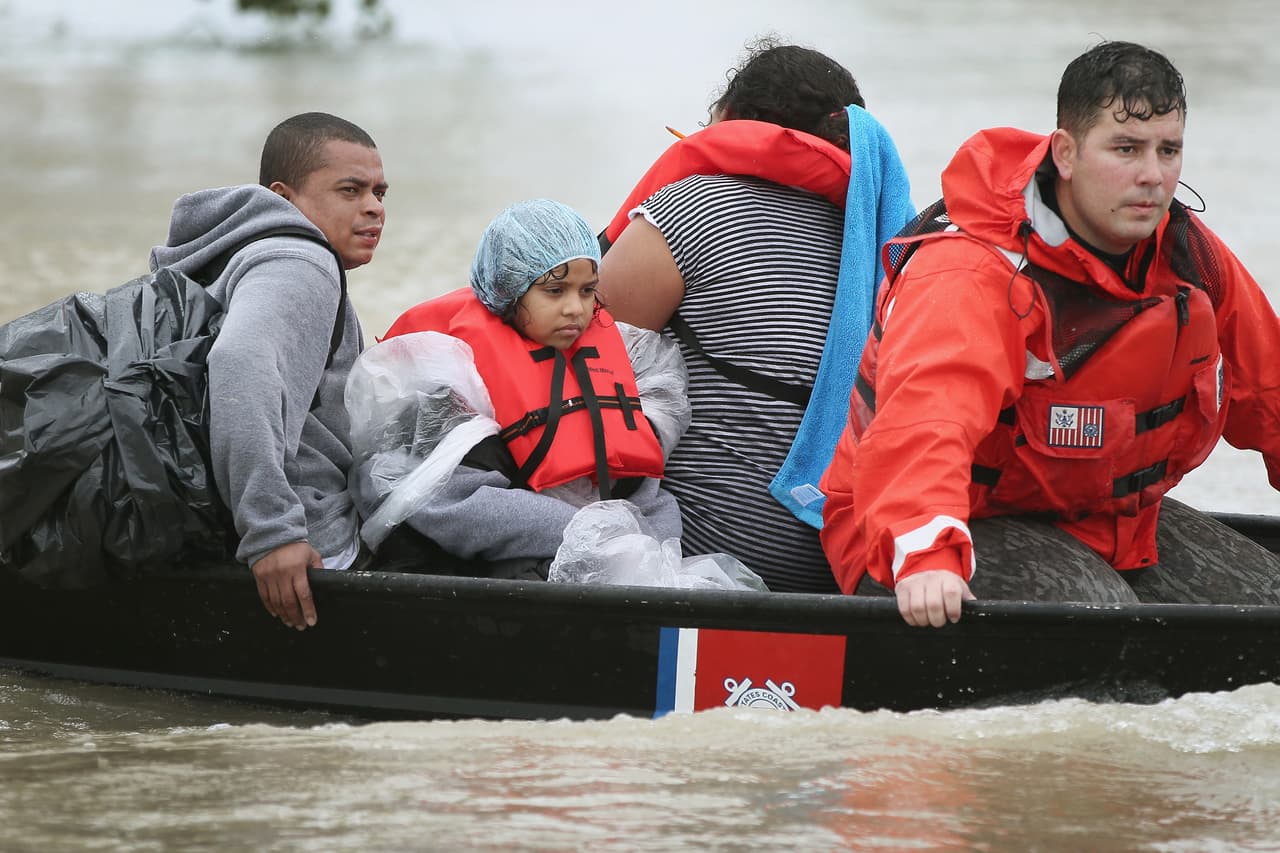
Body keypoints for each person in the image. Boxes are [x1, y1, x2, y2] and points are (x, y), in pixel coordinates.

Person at [820, 40, 1280, 627]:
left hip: (1099, 524)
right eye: (1126, 149)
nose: (1152, 176)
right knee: (1098, 619)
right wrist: (925, 551)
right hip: (916, 529)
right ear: (1065, 153)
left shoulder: (1191, 258)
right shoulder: (974, 269)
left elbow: (1269, 390)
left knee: (1267, 612)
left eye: (1169, 151)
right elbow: (925, 423)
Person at [598, 37, 915, 592]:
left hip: (697, 550)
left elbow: (577, 347)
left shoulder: (690, 208)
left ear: (728, 123)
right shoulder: (881, 247)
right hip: (844, 561)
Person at [350, 198, 688, 577]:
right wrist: (582, 532)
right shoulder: (450, 381)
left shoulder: (627, 358)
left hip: (608, 556)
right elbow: (444, 503)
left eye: (587, 290)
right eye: (555, 291)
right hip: (496, 572)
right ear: (508, 289)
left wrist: (636, 549)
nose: (575, 308)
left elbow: (648, 495)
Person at [149, 111, 388, 630]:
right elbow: (239, 365)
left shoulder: (229, 251)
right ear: (284, 197)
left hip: (210, 522)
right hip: (309, 551)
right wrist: (274, 533)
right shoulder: (301, 262)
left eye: (379, 192)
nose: (373, 208)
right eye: (350, 190)